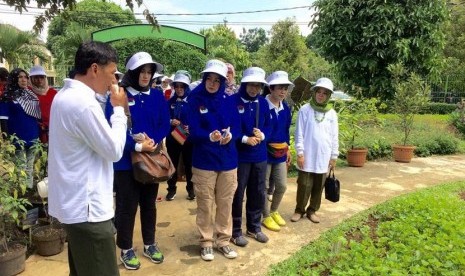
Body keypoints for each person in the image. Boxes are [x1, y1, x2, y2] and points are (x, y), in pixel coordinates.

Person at [47, 41, 127, 276]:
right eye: (112, 73)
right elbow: (113, 150)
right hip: (89, 211)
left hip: (76, 207)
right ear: (94, 69)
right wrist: (120, 110)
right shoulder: (83, 105)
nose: (114, 81)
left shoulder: (65, 96)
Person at [106, 52, 170, 270]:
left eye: (149, 71)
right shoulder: (120, 95)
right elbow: (112, 126)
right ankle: (125, 248)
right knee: (127, 206)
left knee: (149, 205)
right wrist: (135, 145)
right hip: (126, 162)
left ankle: (150, 243)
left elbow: (165, 122)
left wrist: (154, 140)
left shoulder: (157, 96)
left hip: (151, 160)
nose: (145, 75)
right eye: (141, 71)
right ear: (132, 73)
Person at [187, 59, 241, 261]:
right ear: (204, 79)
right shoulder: (195, 99)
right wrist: (208, 136)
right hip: (204, 161)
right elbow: (191, 131)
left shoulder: (229, 100)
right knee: (205, 203)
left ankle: (224, 240)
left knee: (225, 202)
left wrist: (230, 136)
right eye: (208, 79)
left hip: (228, 160)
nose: (212, 83)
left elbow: (236, 126)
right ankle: (206, 241)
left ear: (222, 82)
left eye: (216, 80)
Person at [230, 67, 271, 247]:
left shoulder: (263, 102)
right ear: (244, 83)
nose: (254, 89)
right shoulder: (233, 101)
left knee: (258, 192)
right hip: (240, 156)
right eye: (251, 85)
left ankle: (254, 227)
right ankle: (235, 230)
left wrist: (262, 135)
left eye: (258, 85)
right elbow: (230, 126)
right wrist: (244, 138)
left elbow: (269, 125)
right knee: (238, 193)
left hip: (260, 156)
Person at [291, 77, 339, 223]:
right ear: (314, 92)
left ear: (328, 96)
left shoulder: (331, 114)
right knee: (304, 184)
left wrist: (334, 156)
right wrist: (300, 153)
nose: (321, 95)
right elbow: (299, 133)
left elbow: (334, 135)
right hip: (307, 154)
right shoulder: (305, 110)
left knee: (319, 185)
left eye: (325, 93)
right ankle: (299, 209)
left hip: (324, 156)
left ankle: (312, 210)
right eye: (319, 91)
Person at [261, 71, 293, 232]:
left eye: (285, 88)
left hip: (280, 152)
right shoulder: (262, 105)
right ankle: (265, 215)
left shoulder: (285, 108)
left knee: (281, 185)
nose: (282, 91)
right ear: (271, 89)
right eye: (279, 88)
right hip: (264, 152)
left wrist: (288, 148)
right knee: (264, 186)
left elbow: (286, 130)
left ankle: (274, 211)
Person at [0, 68, 41, 189]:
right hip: (18, 139)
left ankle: (27, 192)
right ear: (14, 79)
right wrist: (7, 139)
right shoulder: (8, 97)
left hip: (32, 136)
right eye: (20, 77)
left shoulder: (31, 95)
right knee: (21, 168)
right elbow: (3, 119)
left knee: (30, 167)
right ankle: (21, 195)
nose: (24, 80)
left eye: (26, 77)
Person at [165, 70, 195, 201]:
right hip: (173, 138)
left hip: (189, 139)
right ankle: (171, 189)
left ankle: (191, 189)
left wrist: (190, 126)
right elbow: (163, 117)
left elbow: (199, 118)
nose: (178, 89)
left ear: (186, 87)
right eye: (176, 86)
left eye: (181, 86)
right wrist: (171, 121)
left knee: (189, 165)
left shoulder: (193, 101)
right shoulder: (170, 102)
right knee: (172, 164)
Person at [28, 65, 58, 144]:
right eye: (36, 77)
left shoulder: (53, 93)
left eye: (41, 77)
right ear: (31, 79)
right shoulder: (27, 93)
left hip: (52, 130)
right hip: (34, 131)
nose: (39, 80)